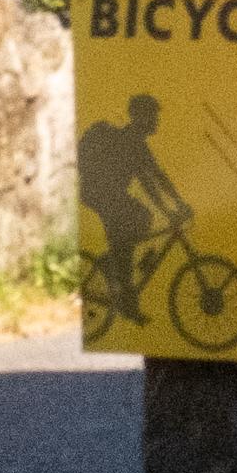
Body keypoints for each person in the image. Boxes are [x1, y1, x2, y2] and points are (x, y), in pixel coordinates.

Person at [77, 94, 189, 326]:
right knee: (127, 240)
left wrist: (177, 204)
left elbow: (157, 178)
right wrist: (172, 209)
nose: (156, 121)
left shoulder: (137, 144)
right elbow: (151, 184)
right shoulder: (131, 142)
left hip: (111, 196)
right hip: (103, 196)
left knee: (139, 222)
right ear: (141, 117)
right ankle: (126, 298)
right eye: (153, 116)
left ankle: (111, 265)